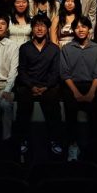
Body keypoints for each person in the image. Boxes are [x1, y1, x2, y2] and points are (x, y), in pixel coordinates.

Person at [14, 16, 64, 158]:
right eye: (36, 26)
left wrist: (46, 87)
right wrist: (31, 86)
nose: (40, 28)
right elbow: (22, 71)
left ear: (48, 29)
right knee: (23, 107)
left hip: (48, 86)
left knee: (54, 107)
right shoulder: (25, 48)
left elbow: (55, 72)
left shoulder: (54, 49)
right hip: (29, 85)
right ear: (32, 29)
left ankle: (55, 141)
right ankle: (22, 140)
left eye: (43, 26)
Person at [59, 17, 97, 160]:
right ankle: (72, 147)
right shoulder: (66, 48)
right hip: (72, 86)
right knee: (70, 118)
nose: (81, 30)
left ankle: (93, 150)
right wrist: (76, 93)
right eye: (77, 27)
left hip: (91, 85)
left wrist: (91, 93)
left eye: (84, 26)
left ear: (89, 29)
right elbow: (65, 74)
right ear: (73, 30)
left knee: (96, 119)